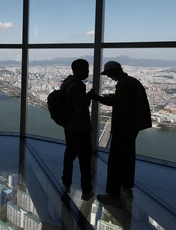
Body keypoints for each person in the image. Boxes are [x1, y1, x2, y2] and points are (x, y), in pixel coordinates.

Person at [87, 61, 152, 208]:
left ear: (115, 71)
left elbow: (122, 105)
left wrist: (97, 98)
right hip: (133, 127)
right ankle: (126, 187)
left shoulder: (123, 84)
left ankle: (114, 195)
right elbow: (128, 102)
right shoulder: (133, 81)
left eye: (109, 74)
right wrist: (113, 97)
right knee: (128, 157)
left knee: (115, 161)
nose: (109, 77)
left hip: (123, 128)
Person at [61, 59, 94, 201]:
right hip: (80, 128)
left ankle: (66, 183)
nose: (87, 72)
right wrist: (89, 98)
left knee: (69, 154)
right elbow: (80, 108)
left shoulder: (67, 82)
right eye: (85, 69)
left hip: (69, 126)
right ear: (77, 69)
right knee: (85, 158)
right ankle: (86, 190)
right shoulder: (77, 85)